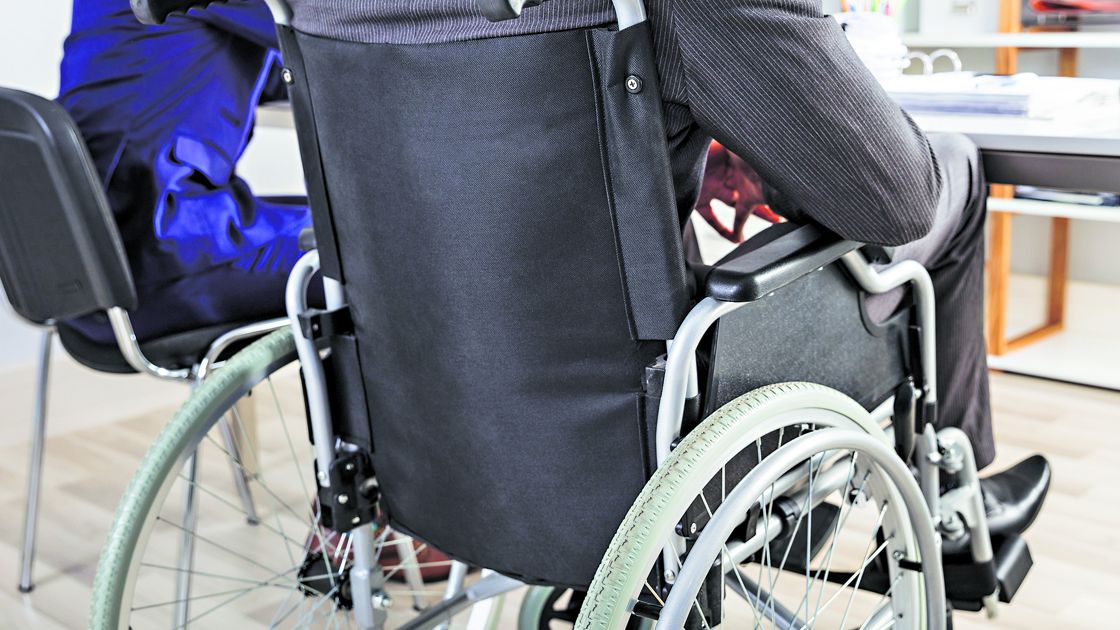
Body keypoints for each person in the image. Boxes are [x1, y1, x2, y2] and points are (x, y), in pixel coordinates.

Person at [282, 0, 1050, 534]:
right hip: (642, 436)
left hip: (427, 420)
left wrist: (685, 137)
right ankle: (955, 506)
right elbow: (893, 205)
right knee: (949, 173)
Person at [57, 0, 311, 344]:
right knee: (376, 251)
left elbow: (279, 62)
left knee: (344, 225)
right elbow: (331, 34)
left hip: (88, 266)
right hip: (157, 258)